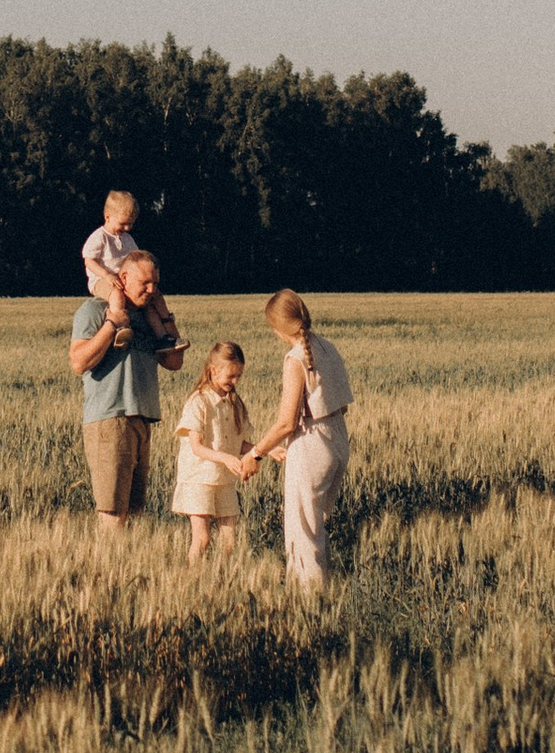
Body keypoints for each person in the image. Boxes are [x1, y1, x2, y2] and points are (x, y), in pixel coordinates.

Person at [67, 248, 185, 531]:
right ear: (123, 278)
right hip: (110, 419)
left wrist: (165, 314)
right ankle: (108, 572)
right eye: (145, 282)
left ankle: (127, 568)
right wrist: (111, 326)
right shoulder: (95, 310)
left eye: (156, 283)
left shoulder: (150, 318)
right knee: (113, 516)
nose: (151, 289)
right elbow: (78, 362)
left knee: (134, 515)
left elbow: (174, 361)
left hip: (143, 419)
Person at [241, 287, 350, 589]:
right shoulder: (328, 347)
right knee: (318, 528)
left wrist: (255, 454)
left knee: (302, 533)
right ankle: (324, 593)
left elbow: (286, 423)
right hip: (339, 439)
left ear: (276, 328)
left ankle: (309, 604)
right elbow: (343, 405)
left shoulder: (295, 359)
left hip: (311, 444)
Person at [169, 342, 251, 564]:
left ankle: (221, 581)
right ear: (213, 370)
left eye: (239, 376)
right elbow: (196, 447)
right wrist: (225, 457)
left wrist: (267, 450)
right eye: (231, 376)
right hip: (199, 479)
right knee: (203, 539)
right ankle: (192, 580)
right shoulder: (199, 401)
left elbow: (241, 444)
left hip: (224, 480)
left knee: (230, 542)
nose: (235, 382)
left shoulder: (234, 403)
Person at [82, 188, 143, 298]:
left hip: (122, 280)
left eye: (130, 224)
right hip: (101, 280)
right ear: (107, 217)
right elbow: (89, 261)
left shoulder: (127, 239)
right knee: (117, 294)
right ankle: (116, 315)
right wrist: (107, 275)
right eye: (123, 224)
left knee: (149, 292)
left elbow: (136, 258)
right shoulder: (100, 237)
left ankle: (163, 315)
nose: (127, 228)